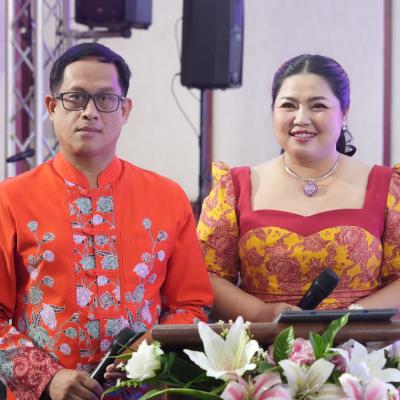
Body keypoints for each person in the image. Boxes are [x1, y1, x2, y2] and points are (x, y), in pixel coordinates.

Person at [0, 42, 213, 400]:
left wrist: (149, 352)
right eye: (75, 98)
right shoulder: (11, 199)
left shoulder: (167, 198)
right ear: (52, 107)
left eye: (105, 99)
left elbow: (192, 306)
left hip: (145, 393)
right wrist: (47, 378)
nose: (90, 112)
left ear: (125, 109)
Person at [197, 54, 400, 323]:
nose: (301, 118)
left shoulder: (388, 187)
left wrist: (352, 319)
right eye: (288, 105)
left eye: (318, 106)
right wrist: (261, 313)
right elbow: (208, 275)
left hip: (362, 344)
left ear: (344, 112)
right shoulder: (234, 187)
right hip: (263, 344)